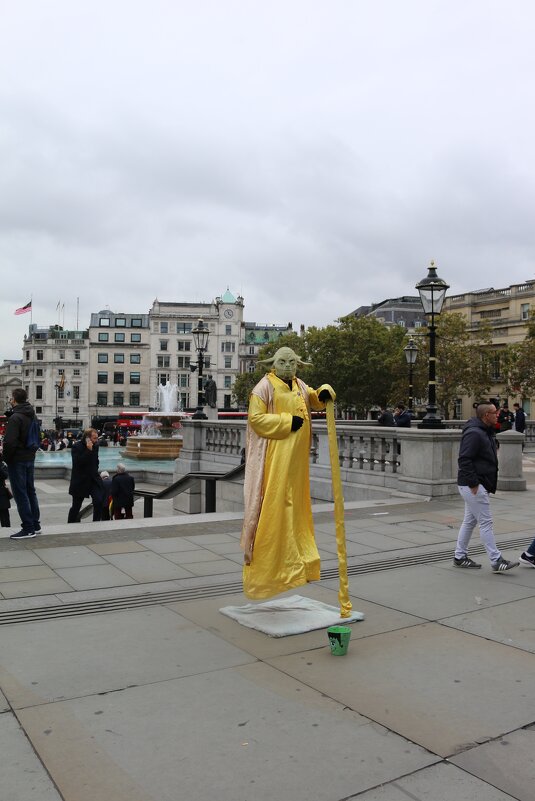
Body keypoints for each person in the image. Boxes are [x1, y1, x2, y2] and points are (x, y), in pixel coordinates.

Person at [240, 346, 335, 599]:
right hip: (276, 460)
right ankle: (268, 570)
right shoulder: (263, 387)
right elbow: (256, 419)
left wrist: (324, 392)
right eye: (283, 361)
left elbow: (312, 398)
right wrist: (286, 422)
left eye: (292, 362)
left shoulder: (299, 384)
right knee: (273, 506)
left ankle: (297, 562)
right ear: (274, 363)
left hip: (297, 462)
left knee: (296, 508)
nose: (288, 366)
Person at [453, 403, 518, 572]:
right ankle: (496, 560)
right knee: (486, 522)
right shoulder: (475, 433)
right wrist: (474, 483)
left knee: (469, 521)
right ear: (485, 416)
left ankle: (460, 556)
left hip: (476, 483)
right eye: (494, 413)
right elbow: (464, 459)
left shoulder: (483, 431)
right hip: (474, 485)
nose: (497, 415)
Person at [2, 388, 41, 539]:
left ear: (14, 399)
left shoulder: (16, 417)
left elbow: (10, 442)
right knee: (30, 490)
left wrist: (6, 458)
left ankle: (28, 528)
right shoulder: (32, 414)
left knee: (20, 493)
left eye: (11, 398)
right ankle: (35, 525)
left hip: (17, 459)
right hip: (29, 457)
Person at [67, 428, 104, 523]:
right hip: (80, 480)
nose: (96, 440)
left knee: (99, 501)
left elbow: (96, 461)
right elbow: (78, 463)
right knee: (76, 506)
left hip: (93, 479)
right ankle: (71, 523)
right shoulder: (76, 447)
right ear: (88, 438)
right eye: (94, 438)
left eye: (97, 438)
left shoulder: (96, 445)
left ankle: (96, 522)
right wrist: (88, 450)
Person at [0, 460, 12, 528]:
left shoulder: (3, 464)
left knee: (4, 510)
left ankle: (5, 526)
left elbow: (5, 475)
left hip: (1, 491)